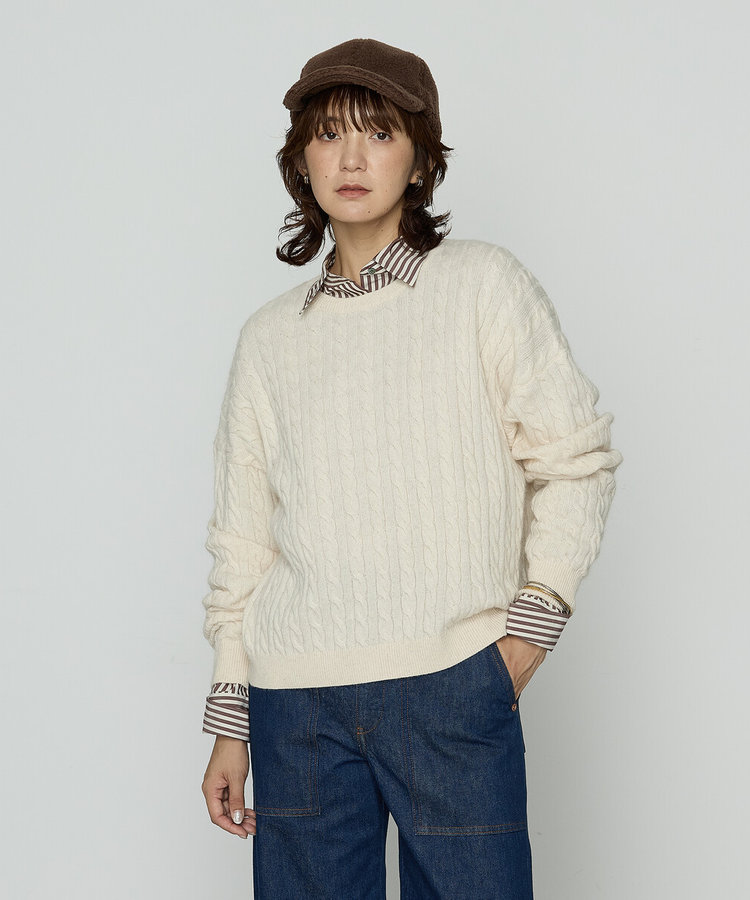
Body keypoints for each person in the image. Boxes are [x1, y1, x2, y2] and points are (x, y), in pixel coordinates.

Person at [199, 38, 622, 899]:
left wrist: (525, 636)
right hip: (296, 704)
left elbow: (575, 460)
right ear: (301, 161)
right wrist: (232, 719)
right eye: (329, 134)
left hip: (452, 683)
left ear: (422, 160)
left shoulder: (483, 286)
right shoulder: (269, 339)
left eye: (380, 133)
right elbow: (243, 544)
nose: (352, 158)